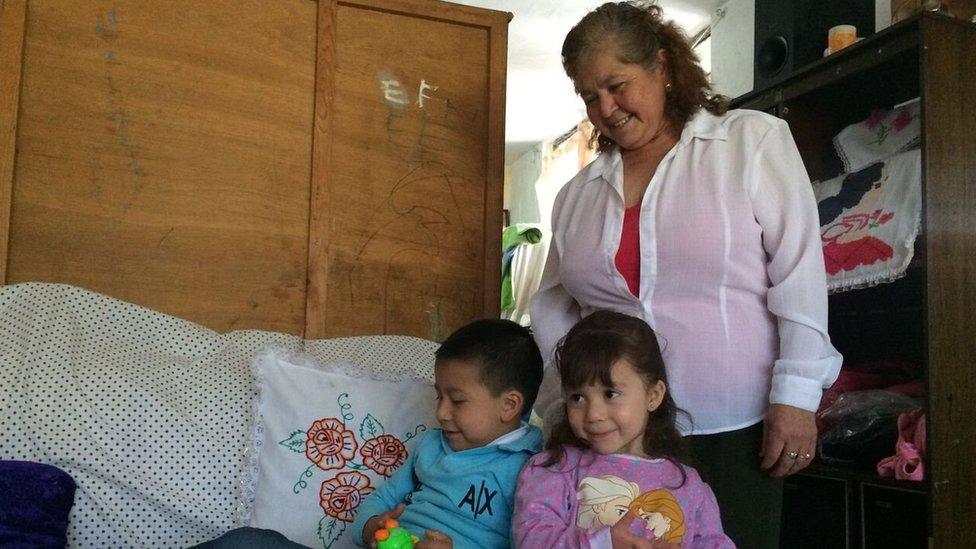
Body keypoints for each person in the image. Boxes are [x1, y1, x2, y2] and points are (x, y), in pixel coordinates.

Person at [529, 2, 843, 547]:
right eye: (588, 96)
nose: (605, 108)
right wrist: (569, 406)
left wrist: (795, 395)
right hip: (618, 437)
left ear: (663, 66)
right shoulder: (576, 195)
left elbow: (800, 275)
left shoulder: (750, 143)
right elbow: (554, 308)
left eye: (616, 85)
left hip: (736, 424)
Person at [513, 311, 733, 548]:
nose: (593, 414)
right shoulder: (554, 470)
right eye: (577, 397)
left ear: (653, 395)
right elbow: (531, 539)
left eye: (611, 394)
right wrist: (602, 543)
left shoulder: (688, 485)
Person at [351, 318, 544, 548]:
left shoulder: (531, 471)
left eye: (457, 400)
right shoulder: (431, 445)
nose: (441, 412)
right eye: (439, 396)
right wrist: (371, 527)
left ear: (509, 405)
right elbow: (383, 499)